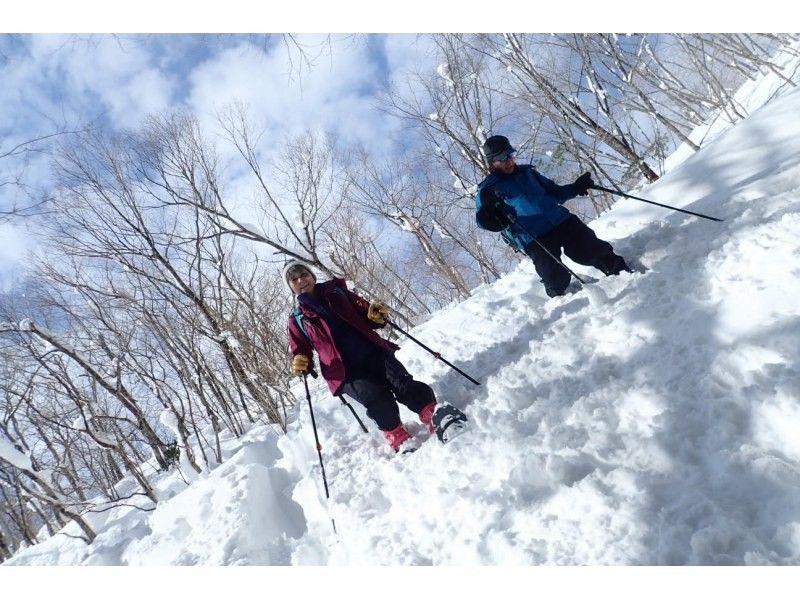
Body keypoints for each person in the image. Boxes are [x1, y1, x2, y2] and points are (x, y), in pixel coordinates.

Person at [284, 260, 439, 452]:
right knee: (376, 399)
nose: (301, 280)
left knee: (403, 384)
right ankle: (396, 434)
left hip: (374, 353)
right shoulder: (298, 319)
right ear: (291, 286)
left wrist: (376, 315)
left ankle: (434, 415)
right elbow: (300, 349)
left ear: (312, 276)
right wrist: (301, 361)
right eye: (294, 279)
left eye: (304, 274)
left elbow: (369, 314)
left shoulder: (337, 292)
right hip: (345, 373)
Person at [475, 135, 631, 297]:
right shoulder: (487, 190)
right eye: (502, 158)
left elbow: (555, 193)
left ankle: (623, 274)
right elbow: (483, 221)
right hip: (534, 237)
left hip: (561, 221)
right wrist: (490, 215)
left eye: (510, 155)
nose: (509, 161)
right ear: (492, 163)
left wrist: (576, 187)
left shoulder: (528, 173)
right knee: (555, 276)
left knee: (590, 250)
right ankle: (562, 300)